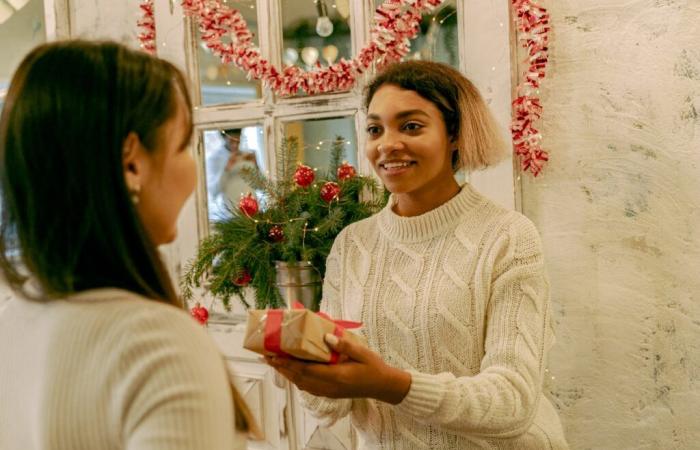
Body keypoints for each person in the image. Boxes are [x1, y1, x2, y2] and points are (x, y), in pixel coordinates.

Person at [266, 60, 569, 449]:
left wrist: (391, 384)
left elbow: (513, 402)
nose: (387, 144)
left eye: (411, 126)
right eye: (376, 129)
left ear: (455, 136)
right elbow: (332, 410)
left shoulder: (508, 237)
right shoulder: (352, 243)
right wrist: (302, 368)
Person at [0, 41, 254, 449]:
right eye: (184, 145)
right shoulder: (158, 347)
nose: (192, 170)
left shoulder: (13, 323)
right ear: (132, 162)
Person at [206, 128, 258, 220]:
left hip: (254, 213)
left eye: (238, 141)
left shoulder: (246, 155)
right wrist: (227, 168)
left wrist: (256, 165)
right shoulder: (214, 159)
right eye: (231, 141)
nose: (235, 145)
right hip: (230, 216)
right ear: (223, 138)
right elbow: (214, 191)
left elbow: (261, 186)